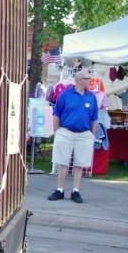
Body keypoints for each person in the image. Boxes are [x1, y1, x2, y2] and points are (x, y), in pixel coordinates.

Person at [48, 69, 98, 203]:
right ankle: (60, 189)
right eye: (88, 78)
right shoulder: (65, 95)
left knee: (80, 163)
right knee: (62, 162)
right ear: (80, 80)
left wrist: (92, 135)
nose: (90, 81)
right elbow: (56, 113)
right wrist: (57, 131)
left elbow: (95, 118)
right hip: (66, 131)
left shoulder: (91, 97)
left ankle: (75, 191)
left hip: (84, 133)